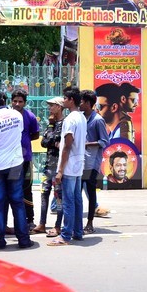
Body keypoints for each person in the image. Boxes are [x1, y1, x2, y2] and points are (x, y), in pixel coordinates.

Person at [0, 90, 32, 250]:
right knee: (17, 201)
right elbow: (20, 133)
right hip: (16, 164)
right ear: (3, 100)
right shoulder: (17, 115)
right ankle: (23, 239)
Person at [48, 87, 86, 246]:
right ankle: (77, 232)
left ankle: (65, 235)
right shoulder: (82, 117)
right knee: (76, 199)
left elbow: (67, 145)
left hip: (70, 165)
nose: (63, 100)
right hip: (78, 164)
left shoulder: (70, 119)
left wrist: (60, 170)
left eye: (65, 98)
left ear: (71, 100)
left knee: (69, 201)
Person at [33, 97, 65, 236]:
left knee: (58, 196)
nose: (49, 108)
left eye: (52, 105)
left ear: (59, 107)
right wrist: (51, 129)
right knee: (44, 194)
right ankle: (42, 223)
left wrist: (52, 134)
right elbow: (44, 142)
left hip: (58, 166)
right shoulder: (51, 124)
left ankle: (58, 226)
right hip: (48, 165)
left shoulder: (64, 123)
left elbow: (53, 139)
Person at [11, 89, 40, 230]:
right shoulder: (6, 116)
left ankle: (30, 220)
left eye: (20, 101)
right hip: (10, 161)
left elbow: (35, 134)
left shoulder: (30, 116)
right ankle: (15, 221)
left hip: (25, 159)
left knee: (27, 189)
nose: (17, 104)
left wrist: (25, 141)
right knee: (11, 190)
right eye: (15, 101)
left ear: (25, 103)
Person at [81, 89, 108, 234]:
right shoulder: (80, 118)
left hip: (91, 163)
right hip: (80, 161)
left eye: (82, 101)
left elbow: (104, 141)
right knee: (75, 193)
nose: (79, 103)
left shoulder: (97, 120)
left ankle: (90, 222)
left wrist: (86, 144)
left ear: (88, 103)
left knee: (91, 193)